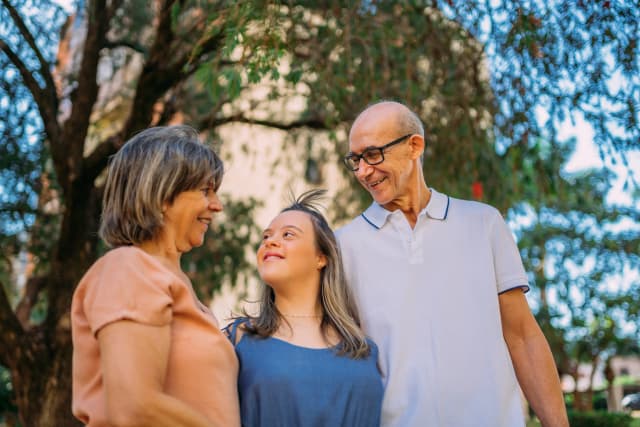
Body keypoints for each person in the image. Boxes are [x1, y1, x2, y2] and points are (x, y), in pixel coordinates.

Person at [335, 101, 569, 427]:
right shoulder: (343, 245)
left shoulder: (483, 223)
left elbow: (522, 336)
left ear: (414, 146)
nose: (362, 171)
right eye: (355, 160)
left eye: (372, 154)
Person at [71, 125, 240, 427]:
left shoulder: (175, 284)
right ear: (162, 195)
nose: (217, 205)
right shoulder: (129, 268)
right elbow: (135, 408)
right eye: (205, 191)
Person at [225, 189, 383, 427]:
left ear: (321, 257)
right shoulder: (238, 339)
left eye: (288, 234)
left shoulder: (364, 348)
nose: (270, 241)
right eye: (265, 236)